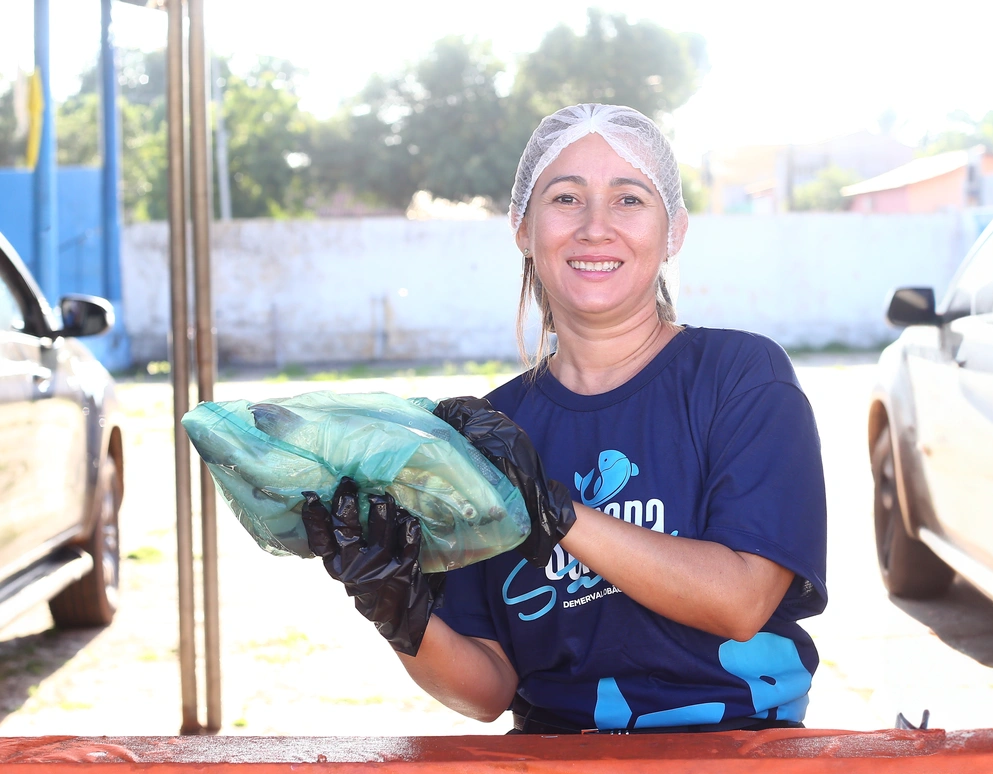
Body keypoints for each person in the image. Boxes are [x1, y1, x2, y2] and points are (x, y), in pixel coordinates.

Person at [302, 103, 828, 734]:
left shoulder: (739, 376)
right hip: (559, 767)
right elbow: (487, 689)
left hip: (742, 760)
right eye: (566, 198)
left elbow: (741, 600)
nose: (595, 227)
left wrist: (556, 512)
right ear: (523, 228)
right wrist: (400, 616)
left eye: (629, 199)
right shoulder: (489, 430)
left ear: (675, 232)